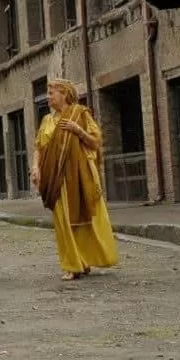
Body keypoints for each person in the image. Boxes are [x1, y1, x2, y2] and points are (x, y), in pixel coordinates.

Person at [31, 79, 118, 281]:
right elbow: (39, 147)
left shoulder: (80, 114)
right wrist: (35, 168)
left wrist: (77, 130)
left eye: (52, 92)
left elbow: (96, 142)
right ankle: (75, 262)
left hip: (78, 175)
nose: (48, 97)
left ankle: (78, 262)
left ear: (64, 94)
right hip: (54, 177)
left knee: (80, 218)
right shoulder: (46, 120)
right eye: (48, 92)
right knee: (63, 220)